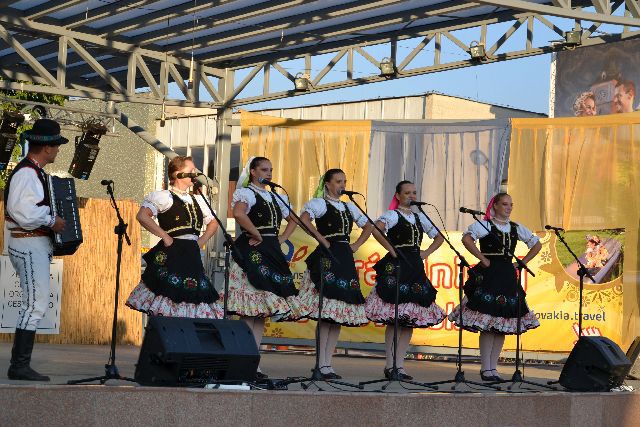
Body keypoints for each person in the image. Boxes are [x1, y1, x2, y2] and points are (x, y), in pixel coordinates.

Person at [448, 193, 541, 381]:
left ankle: (493, 368)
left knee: (502, 323)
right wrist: (483, 259)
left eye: (511, 205)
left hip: (507, 276)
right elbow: (467, 239)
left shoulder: (515, 228)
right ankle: (485, 368)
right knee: (488, 324)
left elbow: (536, 244)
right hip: (489, 275)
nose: (509, 208)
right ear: (495, 206)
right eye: (505, 204)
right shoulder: (485, 225)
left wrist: (521, 264)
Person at [228, 156, 303, 379]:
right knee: (249, 310)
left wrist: (282, 238)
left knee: (261, 312)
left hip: (271, 250)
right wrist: (257, 233)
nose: (269, 173)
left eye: (270, 170)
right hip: (252, 250)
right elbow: (239, 213)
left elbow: (294, 219)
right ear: (253, 171)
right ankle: (242, 360)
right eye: (264, 169)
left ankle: (254, 362)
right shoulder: (247, 193)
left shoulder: (275, 196)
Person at [4, 118, 67, 381]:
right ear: (47, 147)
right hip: (27, 241)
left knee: (35, 302)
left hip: (32, 242)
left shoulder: (35, 172)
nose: (58, 150)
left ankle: (20, 364)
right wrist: (52, 220)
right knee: (35, 303)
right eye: (57, 145)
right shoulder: (27, 173)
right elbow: (21, 210)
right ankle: (18, 366)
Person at [364, 180, 446, 380]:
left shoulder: (420, 218)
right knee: (395, 318)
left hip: (415, 267)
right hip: (397, 266)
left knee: (409, 320)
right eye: (407, 193)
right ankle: (389, 365)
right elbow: (376, 229)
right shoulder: (393, 215)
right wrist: (391, 249)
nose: (412, 196)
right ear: (398, 196)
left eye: (414, 193)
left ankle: (400, 366)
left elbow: (439, 237)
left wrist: (425, 253)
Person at [126, 156, 223, 319]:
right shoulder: (164, 197)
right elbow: (142, 216)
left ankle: (182, 332)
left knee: (191, 292)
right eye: (191, 170)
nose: (195, 173)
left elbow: (214, 222)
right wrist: (165, 236)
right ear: (178, 174)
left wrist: (201, 241)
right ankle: (162, 332)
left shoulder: (199, 199)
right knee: (169, 292)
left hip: (191, 254)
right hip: (173, 252)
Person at [297, 169, 370, 379]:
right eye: (338, 181)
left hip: (344, 256)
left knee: (337, 314)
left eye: (344, 181)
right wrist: (321, 239)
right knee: (326, 312)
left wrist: (356, 245)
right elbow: (304, 219)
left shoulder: (349, 207)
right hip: (328, 256)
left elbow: (369, 226)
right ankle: (320, 364)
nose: (342, 185)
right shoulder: (320, 204)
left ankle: (328, 364)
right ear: (327, 184)